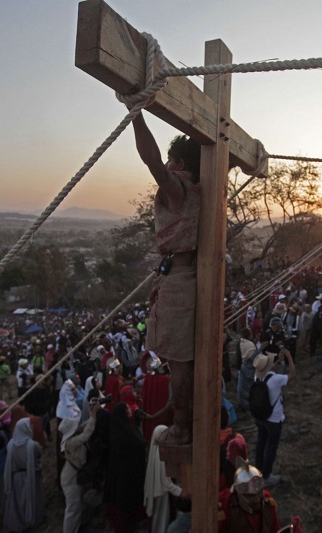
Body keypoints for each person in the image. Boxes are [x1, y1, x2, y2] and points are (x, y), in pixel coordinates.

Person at [130, 108, 202, 447]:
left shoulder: (181, 189)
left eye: (173, 160)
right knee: (179, 360)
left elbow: (152, 161)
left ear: (180, 165)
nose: (168, 166)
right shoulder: (199, 190)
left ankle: (183, 428)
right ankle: (183, 421)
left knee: (180, 361)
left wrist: (136, 115)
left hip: (179, 278)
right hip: (178, 274)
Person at [251, 349, 296, 487]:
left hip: (260, 416)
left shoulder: (257, 377)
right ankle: (267, 474)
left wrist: (278, 361)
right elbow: (293, 375)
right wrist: (289, 356)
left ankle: (258, 469)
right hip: (274, 419)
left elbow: (270, 370)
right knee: (271, 446)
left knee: (261, 442)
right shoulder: (276, 380)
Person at [104, 402, 147, 532]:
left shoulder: (125, 427)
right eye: (127, 408)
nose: (129, 409)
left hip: (132, 470)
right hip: (126, 473)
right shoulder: (122, 433)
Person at [60, 403, 98, 533]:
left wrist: (92, 416)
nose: (79, 425)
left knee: (78, 504)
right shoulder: (70, 443)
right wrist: (93, 416)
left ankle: (77, 527)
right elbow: (86, 434)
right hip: (70, 479)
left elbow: (84, 426)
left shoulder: (72, 437)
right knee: (72, 509)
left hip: (73, 475)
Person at [217, 459, 280, 533]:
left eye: (259, 493)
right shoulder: (224, 504)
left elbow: (275, 529)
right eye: (251, 496)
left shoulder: (267, 501)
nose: (257, 499)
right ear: (239, 493)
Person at [3, 419, 44, 532]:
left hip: (16, 477)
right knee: (31, 498)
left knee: (18, 502)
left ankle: (19, 522)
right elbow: (38, 454)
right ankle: (32, 519)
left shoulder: (10, 445)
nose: (31, 428)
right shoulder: (32, 445)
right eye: (29, 426)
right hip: (31, 476)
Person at [144, 425, 186, 533]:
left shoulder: (155, 451)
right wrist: (180, 492)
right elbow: (165, 482)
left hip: (157, 491)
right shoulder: (161, 456)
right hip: (161, 493)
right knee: (161, 521)